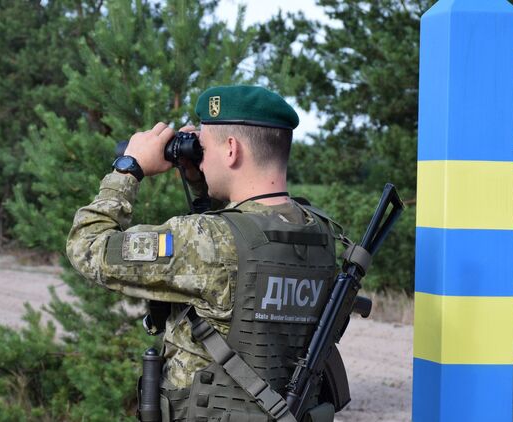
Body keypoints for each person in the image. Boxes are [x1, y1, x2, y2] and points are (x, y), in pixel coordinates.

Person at [67, 85, 341, 422]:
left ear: (231, 149)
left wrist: (128, 168)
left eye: (204, 148)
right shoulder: (321, 233)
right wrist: (201, 183)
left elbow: (88, 246)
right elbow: (240, 238)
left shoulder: (207, 240)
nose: (201, 156)